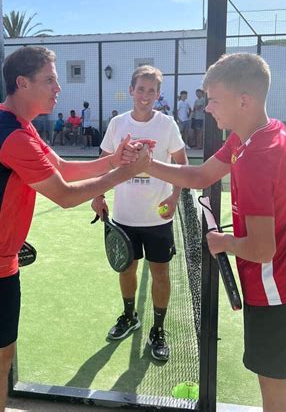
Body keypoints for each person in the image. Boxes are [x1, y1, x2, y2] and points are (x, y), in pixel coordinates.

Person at [0, 46, 152, 412]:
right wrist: (125, 172)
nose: (58, 88)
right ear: (22, 83)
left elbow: (61, 167)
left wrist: (113, 161)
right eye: (49, 80)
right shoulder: (13, 136)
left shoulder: (11, 125)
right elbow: (64, 194)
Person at [145, 53, 286, 411]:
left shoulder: (255, 158)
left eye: (213, 99)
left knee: (274, 385)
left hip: (279, 288)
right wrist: (147, 165)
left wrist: (221, 241)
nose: (207, 107)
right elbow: (200, 176)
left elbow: (261, 250)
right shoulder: (265, 131)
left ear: (243, 100)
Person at [91, 65, 187, 362]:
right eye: (141, 89)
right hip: (124, 217)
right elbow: (104, 162)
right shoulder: (118, 123)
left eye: (151, 91)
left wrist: (173, 197)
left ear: (159, 95)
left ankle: (157, 330)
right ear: (131, 90)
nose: (145, 95)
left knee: (160, 273)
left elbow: (181, 164)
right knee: (126, 269)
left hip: (158, 218)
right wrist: (98, 195)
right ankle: (129, 316)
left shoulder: (167, 124)